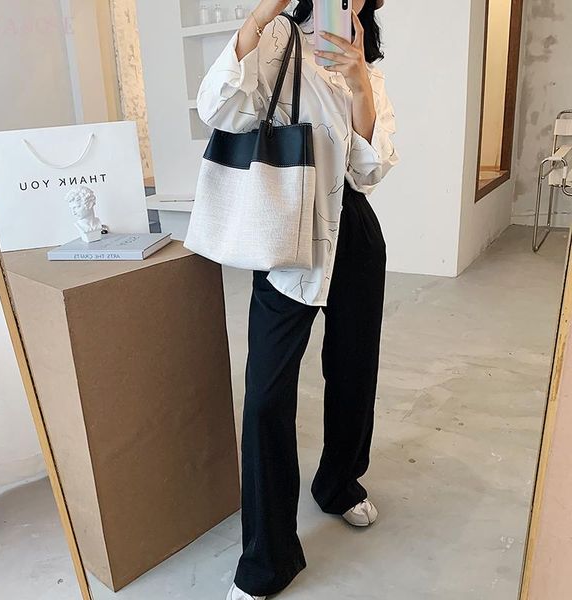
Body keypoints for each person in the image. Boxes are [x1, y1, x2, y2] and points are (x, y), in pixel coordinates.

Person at [196, 1, 399, 598]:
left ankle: (339, 483)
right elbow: (218, 108)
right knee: (266, 394)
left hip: (353, 232)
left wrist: (360, 83)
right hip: (286, 229)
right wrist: (262, 14)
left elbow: (369, 171)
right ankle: (268, 557)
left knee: (353, 371)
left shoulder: (365, 65)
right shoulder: (277, 40)